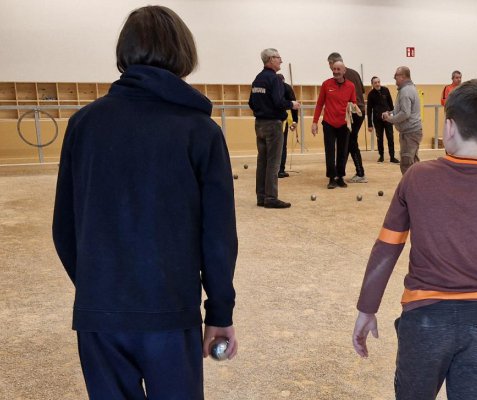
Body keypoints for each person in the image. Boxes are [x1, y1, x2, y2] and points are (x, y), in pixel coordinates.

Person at [52, 6, 238, 399]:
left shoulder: (83, 124)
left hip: (99, 314)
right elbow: (218, 236)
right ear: (184, 54)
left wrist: (99, 286)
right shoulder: (200, 131)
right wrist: (219, 312)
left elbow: (64, 228)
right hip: (169, 310)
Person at [352, 78, 477, 399]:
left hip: (424, 322)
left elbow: (386, 248)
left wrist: (367, 308)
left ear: (448, 126)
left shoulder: (416, 177)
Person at [249, 48, 299, 208]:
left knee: (262, 161)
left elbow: (251, 102)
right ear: (271, 59)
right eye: (278, 57)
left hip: (259, 124)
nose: (281, 60)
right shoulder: (275, 79)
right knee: (273, 163)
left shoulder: (258, 79)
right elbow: (278, 102)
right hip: (273, 124)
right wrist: (292, 104)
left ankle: (261, 196)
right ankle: (271, 198)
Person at [311, 61, 356, 189]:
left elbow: (353, 102)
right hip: (329, 124)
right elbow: (319, 104)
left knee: (342, 151)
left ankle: (340, 176)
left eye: (338, 69)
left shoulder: (351, 86)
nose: (335, 71)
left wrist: (353, 107)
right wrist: (315, 122)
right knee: (330, 151)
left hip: (344, 124)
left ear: (344, 71)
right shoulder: (326, 84)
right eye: (334, 69)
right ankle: (331, 178)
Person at [328, 52, 368, 183]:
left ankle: (359, 173)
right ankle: (340, 173)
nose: (331, 68)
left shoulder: (341, 76)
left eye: (330, 64)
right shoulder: (355, 73)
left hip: (352, 113)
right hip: (360, 111)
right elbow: (361, 91)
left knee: (349, 142)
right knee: (347, 141)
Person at [382, 66, 422, 174]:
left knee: (407, 164)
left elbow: (405, 113)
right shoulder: (409, 89)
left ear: (403, 76)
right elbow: (401, 110)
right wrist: (391, 113)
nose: (395, 80)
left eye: (396, 77)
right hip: (412, 132)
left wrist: (390, 119)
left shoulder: (405, 91)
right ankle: (415, 188)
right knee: (413, 162)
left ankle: (409, 189)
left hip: (409, 133)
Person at [367, 76, 398, 164]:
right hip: (377, 120)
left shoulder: (386, 90)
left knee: (390, 137)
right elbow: (369, 110)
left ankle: (392, 157)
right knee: (379, 138)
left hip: (388, 119)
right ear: (372, 84)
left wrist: (393, 116)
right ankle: (381, 156)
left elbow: (391, 104)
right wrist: (369, 124)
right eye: (375, 83)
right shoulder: (371, 94)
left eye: (378, 82)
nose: (377, 84)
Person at [277, 74, 298, 178]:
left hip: (270, 120)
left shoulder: (271, 87)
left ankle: (272, 170)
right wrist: (295, 121)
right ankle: (280, 170)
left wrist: (294, 121)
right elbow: (294, 105)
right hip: (283, 120)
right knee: (282, 145)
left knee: (272, 145)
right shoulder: (286, 87)